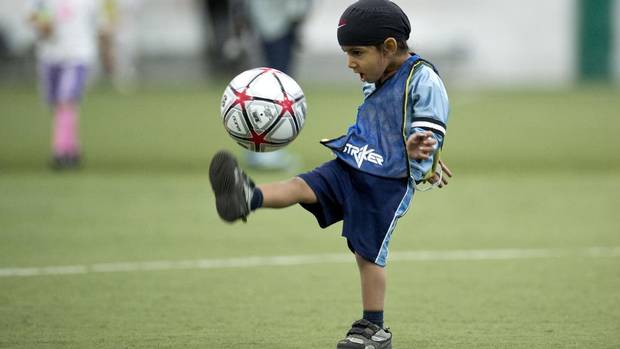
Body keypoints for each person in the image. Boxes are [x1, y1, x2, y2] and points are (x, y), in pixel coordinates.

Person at [209, 1, 451, 348]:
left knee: (367, 254)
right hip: (352, 161)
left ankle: (374, 328)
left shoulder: (423, 79)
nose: (350, 62)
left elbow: (428, 129)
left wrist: (421, 151)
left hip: (385, 182)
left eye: (356, 53)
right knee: (300, 185)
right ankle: (246, 197)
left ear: (389, 48)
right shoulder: (378, 74)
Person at [27, 0, 110, 169]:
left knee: (67, 100)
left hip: (78, 55)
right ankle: (72, 149)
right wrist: (41, 25)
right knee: (57, 105)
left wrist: (106, 54)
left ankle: (60, 152)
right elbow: (35, 16)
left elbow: (102, 25)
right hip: (50, 56)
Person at [243, 0, 312, 171]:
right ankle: (264, 151)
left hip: (278, 21)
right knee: (274, 89)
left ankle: (261, 149)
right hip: (274, 22)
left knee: (276, 86)